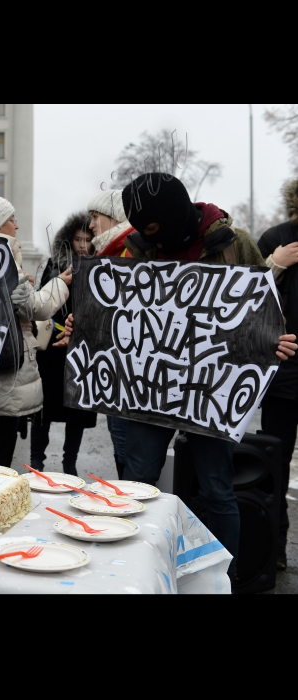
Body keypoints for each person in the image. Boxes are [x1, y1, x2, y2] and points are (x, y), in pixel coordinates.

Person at [65, 173, 297, 579]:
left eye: (153, 227)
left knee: (217, 490)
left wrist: (274, 341)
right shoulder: (136, 248)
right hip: (147, 394)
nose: (149, 236)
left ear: (173, 216)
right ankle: (134, 576)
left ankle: (221, 581)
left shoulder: (232, 243)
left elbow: (261, 306)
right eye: (142, 229)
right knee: (138, 486)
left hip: (211, 393)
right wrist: (82, 326)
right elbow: (112, 311)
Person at [0, 196, 72, 468]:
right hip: (4, 383)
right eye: (12, 220)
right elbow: (35, 308)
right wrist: (60, 283)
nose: (17, 226)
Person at [30, 213, 96, 475]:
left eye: (87, 239)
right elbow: (44, 302)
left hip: (80, 350)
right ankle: (37, 462)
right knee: (43, 410)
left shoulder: (99, 269)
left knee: (76, 413)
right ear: (69, 240)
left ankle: (70, 464)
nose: (82, 244)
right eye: (78, 239)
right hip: (53, 351)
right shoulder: (55, 265)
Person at [257, 177, 298, 571]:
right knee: (275, 466)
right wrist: (274, 266)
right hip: (283, 378)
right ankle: (273, 552)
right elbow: (245, 297)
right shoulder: (276, 238)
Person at [89, 190, 134, 477]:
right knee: (123, 451)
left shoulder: (129, 252)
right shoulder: (107, 252)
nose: (91, 224)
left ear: (114, 217)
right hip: (113, 372)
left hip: (128, 377)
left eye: (95, 217)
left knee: (130, 457)